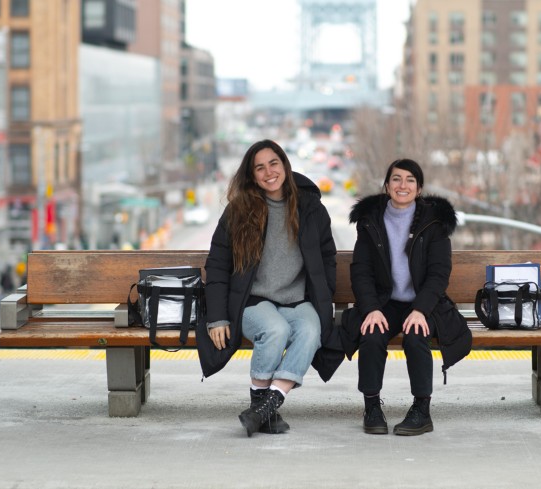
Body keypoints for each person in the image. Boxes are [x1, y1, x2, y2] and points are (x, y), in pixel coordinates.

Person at [196, 139, 337, 437]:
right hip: (253, 302)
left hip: (298, 302)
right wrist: (218, 317)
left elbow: (327, 258)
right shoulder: (239, 211)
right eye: (259, 167)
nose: (268, 172)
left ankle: (265, 407)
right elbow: (218, 265)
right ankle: (265, 408)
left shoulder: (310, 207)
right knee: (275, 330)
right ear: (252, 175)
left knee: (311, 330)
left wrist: (324, 296)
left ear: (285, 165)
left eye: (273, 163)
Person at [345, 158, 472, 436]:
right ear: (387, 185)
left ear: (419, 188)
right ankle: (372, 407)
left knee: (416, 336)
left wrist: (420, 310)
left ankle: (421, 410)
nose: (403, 185)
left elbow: (439, 274)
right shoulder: (370, 221)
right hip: (383, 302)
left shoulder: (434, 223)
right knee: (371, 334)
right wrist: (370, 309)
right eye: (397, 179)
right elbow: (361, 271)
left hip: (423, 303)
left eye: (410, 180)